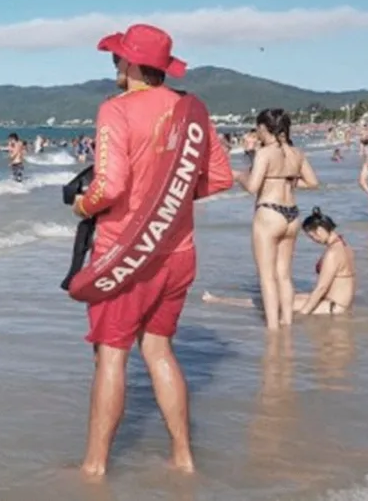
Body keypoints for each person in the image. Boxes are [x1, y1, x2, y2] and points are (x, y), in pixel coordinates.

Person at [70, 24, 233, 477]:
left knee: (112, 355)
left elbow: (110, 185)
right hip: (179, 251)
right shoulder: (190, 111)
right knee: (159, 350)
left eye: (118, 59)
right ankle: (183, 456)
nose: (115, 66)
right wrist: (170, 199)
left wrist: (82, 203)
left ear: (133, 64)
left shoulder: (115, 110)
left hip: (126, 254)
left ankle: (94, 467)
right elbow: (220, 177)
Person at [233, 109, 319, 329]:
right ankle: (287, 323)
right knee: (284, 275)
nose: (256, 133)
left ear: (263, 128)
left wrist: (238, 175)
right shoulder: (296, 152)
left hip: (269, 213)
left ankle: (273, 328)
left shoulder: (265, 153)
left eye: (257, 128)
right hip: (291, 214)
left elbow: (253, 187)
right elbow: (312, 182)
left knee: (267, 276)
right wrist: (286, 182)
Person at [204, 207, 355, 315]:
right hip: (335, 303)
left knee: (270, 303)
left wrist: (304, 313)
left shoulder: (333, 254)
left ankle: (219, 301)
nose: (313, 240)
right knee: (283, 297)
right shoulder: (344, 246)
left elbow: (321, 288)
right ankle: (220, 300)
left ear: (320, 230)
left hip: (332, 306)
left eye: (312, 236)